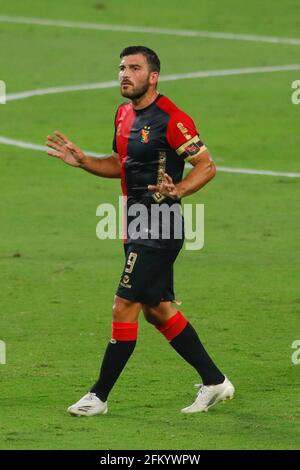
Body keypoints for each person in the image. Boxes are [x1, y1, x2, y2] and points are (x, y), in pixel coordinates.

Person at [46, 46, 234, 416]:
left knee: (125, 303)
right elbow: (122, 163)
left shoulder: (172, 118)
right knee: (157, 311)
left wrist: (178, 189)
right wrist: (85, 162)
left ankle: (98, 396)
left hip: (161, 225)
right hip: (134, 223)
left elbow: (206, 166)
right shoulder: (123, 114)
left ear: (154, 76)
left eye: (134, 68)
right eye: (121, 68)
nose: (125, 74)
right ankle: (214, 382)